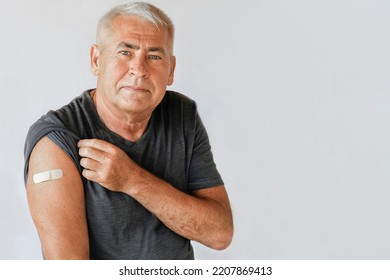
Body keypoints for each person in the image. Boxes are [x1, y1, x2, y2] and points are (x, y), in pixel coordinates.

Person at [24, 2, 233, 260]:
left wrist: (132, 180)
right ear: (96, 60)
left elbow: (220, 233)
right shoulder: (56, 141)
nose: (140, 69)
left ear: (171, 70)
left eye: (154, 56)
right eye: (125, 52)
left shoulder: (182, 115)